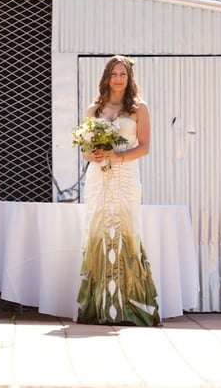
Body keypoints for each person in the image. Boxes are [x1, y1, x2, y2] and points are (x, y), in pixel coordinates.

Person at [76, 55, 161, 326]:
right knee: (97, 230)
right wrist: (93, 155)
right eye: (114, 73)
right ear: (106, 77)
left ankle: (132, 308)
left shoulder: (138, 108)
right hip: (98, 179)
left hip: (125, 176)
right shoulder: (94, 109)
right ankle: (97, 307)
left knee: (127, 231)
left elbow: (145, 146)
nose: (118, 78)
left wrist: (117, 155)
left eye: (123, 73)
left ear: (129, 77)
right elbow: (85, 149)